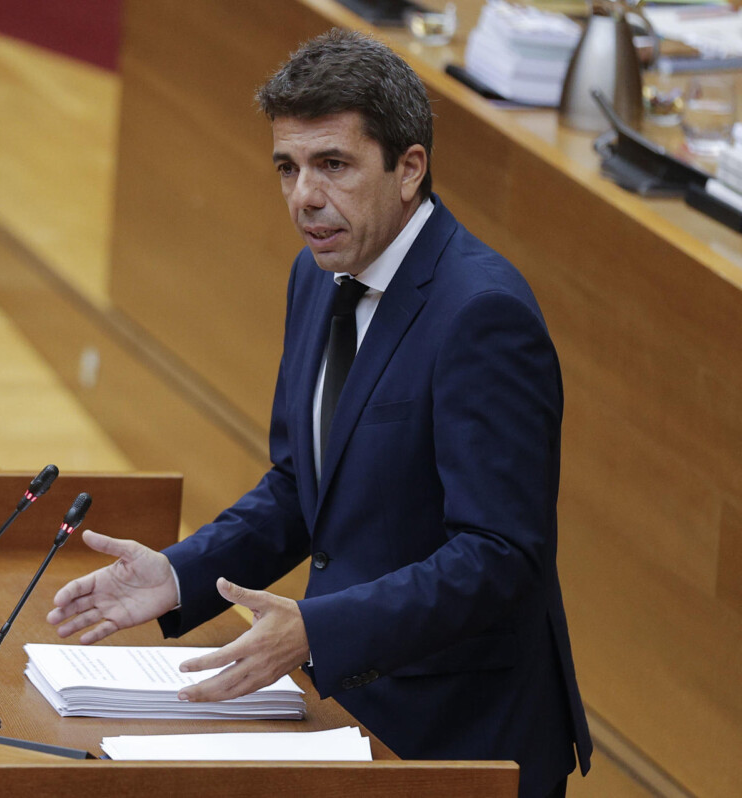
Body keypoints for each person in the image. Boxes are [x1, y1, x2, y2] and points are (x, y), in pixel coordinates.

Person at [47, 29, 591, 798]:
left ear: (409, 169)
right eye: (288, 167)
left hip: (461, 739)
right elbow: (304, 484)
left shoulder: (482, 314)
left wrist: (321, 628)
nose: (304, 196)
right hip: (350, 708)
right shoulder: (319, 275)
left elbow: (501, 557)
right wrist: (179, 573)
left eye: (332, 165)